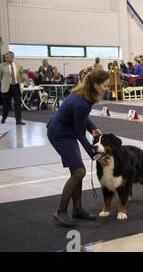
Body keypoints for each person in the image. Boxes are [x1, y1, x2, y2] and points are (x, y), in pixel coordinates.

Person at [47, 69, 110, 227]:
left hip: (66, 132)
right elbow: (80, 134)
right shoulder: (82, 102)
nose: (107, 88)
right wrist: (96, 157)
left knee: (76, 171)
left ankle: (77, 209)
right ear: (95, 85)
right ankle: (61, 211)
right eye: (105, 85)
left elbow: (81, 118)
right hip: (60, 135)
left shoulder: (83, 94)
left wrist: (92, 128)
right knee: (79, 171)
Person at [1, 52, 27, 125]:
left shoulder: (18, 65)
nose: (5, 58)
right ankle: (4, 117)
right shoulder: (2, 66)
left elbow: (21, 75)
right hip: (7, 87)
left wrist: (23, 81)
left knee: (17, 104)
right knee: (6, 104)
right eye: (5, 57)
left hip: (16, 86)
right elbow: (0, 77)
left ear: (12, 57)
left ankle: (18, 120)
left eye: (7, 57)